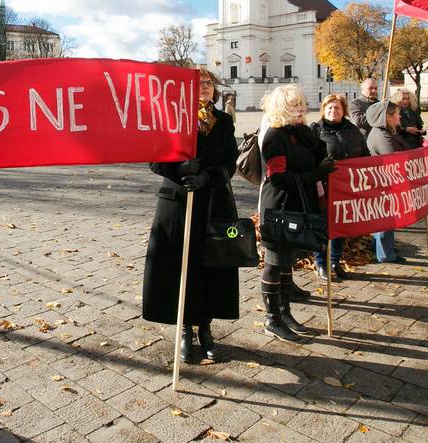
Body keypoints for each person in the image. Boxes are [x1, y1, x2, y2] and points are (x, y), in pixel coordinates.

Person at [143, 68, 239, 363]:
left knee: (210, 267)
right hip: (178, 204)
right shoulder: (173, 119)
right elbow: (154, 160)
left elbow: (230, 162)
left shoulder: (223, 121)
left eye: (209, 83)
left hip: (213, 203)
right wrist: (180, 169)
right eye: (198, 84)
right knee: (180, 268)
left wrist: (209, 178)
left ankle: (206, 329)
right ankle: (185, 328)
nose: (205, 88)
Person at [258, 84, 334, 342]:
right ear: (281, 108)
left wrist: (315, 142)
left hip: (298, 205)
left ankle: (285, 312)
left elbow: (320, 155)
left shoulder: (300, 132)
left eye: (301, 103)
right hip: (279, 207)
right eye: (293, 105)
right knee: (274, 263)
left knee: (287, 262)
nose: (300, 109)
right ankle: (272, 319)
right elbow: (278, 178)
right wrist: (316, 173)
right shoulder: (274, 136)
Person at [309, 94, 368, 281]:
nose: (334, 111)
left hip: (346, 187)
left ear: (343, 111)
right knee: (322, 225)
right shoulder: (315, 130)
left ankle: (335, 260)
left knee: (340, 224)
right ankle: (321, 263)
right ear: (324, 110)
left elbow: (364, 153)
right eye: (330, 108)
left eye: (337, 108)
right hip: (323, 186)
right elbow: (309, 157)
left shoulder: (352, 130)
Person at [366, 101, 413, 263]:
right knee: (384, 220)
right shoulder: (382, 136)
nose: (400, 116)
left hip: (386, 183)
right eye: (397, 114)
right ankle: (385, 254)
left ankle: (385, 251)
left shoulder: (387, 132)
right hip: (383, 184)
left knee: (387, 219)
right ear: (388, 117)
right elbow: (394, 158)